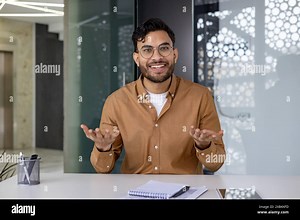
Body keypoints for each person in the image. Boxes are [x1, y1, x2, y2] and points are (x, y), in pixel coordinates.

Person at [81, 18, 226, 174]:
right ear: (137, 59)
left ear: (174, 54)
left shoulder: (200, 96)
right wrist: (103, 148)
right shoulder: (116, 101)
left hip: (186, 193)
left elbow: (215, 164)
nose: (157, 57)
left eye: (164, 48)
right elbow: (103, 168)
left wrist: (204, 146)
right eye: (147, 50)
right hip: (135, 194)